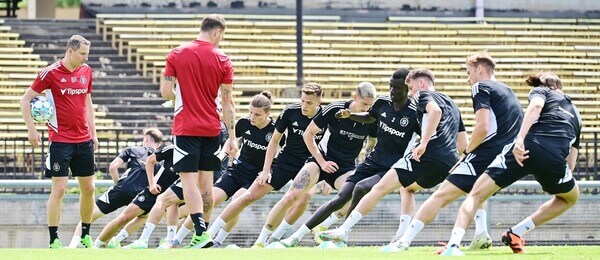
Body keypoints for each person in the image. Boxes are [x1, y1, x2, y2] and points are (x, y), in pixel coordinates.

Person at [393, 52, 524, 252]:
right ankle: (480, 234)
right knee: (477, 194)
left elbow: (482, 127)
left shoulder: (480, 87)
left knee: (440, 196)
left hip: (485, 153)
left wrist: (469, 152)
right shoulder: (509, 90)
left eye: (469, 72)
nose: (468, 77)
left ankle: (404, 241)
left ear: (479, 69)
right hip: (504, 158)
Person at [319, 68, 467, 244]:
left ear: (421, 83)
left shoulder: (423, 96)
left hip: (428, 154)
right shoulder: (452, 103)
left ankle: (344, 230)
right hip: (448, 161)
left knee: (379, 188)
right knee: (410, 189)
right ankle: (403, 237)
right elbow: (463, 144)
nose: (411, 92)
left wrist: (424, 142)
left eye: (410, 87)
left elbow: (434, 111)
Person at [440, 72, 582, 256]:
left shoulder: (543, 91)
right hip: (554, 159)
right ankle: (517, 233)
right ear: (561, 86)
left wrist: (520, 139)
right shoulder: (577, 114)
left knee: (476, 195)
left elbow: (536, 106)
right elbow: (570, 164)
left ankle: (453, 245)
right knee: (570, 197)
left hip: (524, 149)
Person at [279, 68, 420, 247]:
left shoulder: (415, 113)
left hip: (391, 167)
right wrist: (350, 115)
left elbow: (428, 134)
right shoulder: (383, 102)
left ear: (407, 88)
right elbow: (370, 117)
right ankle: (295, 237)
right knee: (341, 198)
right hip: (371, 162)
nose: (393, 91)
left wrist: (421, 148)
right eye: (391, 86)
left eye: (397, 88)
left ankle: (343, 232)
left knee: (361, 188)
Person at [252, 82, 378, 247]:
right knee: (291, 197)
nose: (367, 109)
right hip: (320, 162)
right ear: (355, 97)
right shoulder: (335, 109)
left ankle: (317, 227)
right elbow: (308, 134)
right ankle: (261, 241)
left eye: (370, 105)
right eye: (364, 104)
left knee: (356, 195)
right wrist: (322, 162)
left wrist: (365, 161)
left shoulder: (371, 119)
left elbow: (372, 143)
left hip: (345, 168)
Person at [205, 83, 329, 247]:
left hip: (309, 164)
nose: (304, 106)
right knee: (248, 196)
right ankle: (209, 235)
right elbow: (274, 142)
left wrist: (326, 178)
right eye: (303, 101)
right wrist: (265, 171)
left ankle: (272, 240)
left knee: (304, 196)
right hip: (285, 161)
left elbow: (328, 145)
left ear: (318, 102)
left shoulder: (326, 117)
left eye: (309, 103)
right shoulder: (290, 111)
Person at [160, 14, 237, 249]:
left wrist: (184, 98)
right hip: (213, 128)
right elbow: (227, 100)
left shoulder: (177, 53)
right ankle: (202, 231)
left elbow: (165, 91)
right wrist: (232, 137)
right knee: (207, 184)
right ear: (217, 32)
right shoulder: (223, 58)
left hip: (186, 128)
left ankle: (200, 234)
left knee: (188, 182)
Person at [20, 35, 97, 249]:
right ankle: (54, 239)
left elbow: (88, 103)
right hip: (60, 141)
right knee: (60, 189)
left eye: (87, 54)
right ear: (70, 51)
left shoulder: (86, 72)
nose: (85, 58)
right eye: (82, 54)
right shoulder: (50, 73)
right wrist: (32, 129)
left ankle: (86, 235)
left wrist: (94, 133)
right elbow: (25, 100)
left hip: (84, 140)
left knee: (89, 188)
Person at [67, 128, 163, 248]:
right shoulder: (160, 162)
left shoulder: (132, 149)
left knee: (89, 215)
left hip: (121, 189)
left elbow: (113, 167)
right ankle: (111, 241)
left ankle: (73, 245)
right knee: (143, 217)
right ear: (158, 145)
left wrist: (118, 183)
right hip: (140, 195)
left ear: (146, 139)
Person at [92, 144, 180, 248]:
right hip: (153, 192)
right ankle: (97, 245)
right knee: (124, 218)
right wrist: (152, 184)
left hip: (171, 196)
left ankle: (162, 240)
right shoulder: (173, 149)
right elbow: (150, 160)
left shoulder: (196, 156)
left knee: (151, 215)